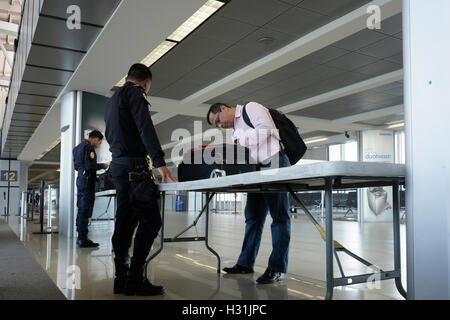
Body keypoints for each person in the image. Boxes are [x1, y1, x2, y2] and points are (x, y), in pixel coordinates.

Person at [104, 63, 177, 296]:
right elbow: (145, 127)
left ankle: (121, 278)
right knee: (151, 221)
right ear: (146, 83)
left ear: (127, 77)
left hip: (118, 167)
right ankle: (135, 278)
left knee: (124, 223)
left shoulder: (112, 101)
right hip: (135, 169)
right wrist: (159, 162)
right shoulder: (135, 93)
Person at [207, 102, 291, 284]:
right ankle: (245, 264)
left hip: (274, 163)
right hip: (255, 169)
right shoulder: (236, 130)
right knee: (253, 216)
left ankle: (276, 267)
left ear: (223, 108)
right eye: (216, 126)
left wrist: (242, 143)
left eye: (219, 121)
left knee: (279, 217)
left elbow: (267, 129)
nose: (220, 126)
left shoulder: (250, 108)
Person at [73, 130, 109, 248]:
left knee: (81, 208)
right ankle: (83, 239)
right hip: (88, 181)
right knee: (85, 209)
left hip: (80, 180)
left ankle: (80, 236)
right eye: (99, 141)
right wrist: (102, 166)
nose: (98, 144)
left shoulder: (77, 148)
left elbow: (76, 166)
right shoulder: (89, 148)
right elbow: (90, 166)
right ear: (94, 139)